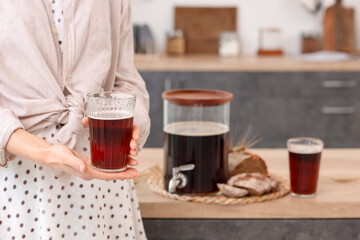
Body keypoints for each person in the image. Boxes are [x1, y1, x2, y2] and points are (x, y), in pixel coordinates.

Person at [0, 0, 150, 239]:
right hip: (20, 179)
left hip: (101, 179)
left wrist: (134, 122)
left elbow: (127, 80)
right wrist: (45, 153)